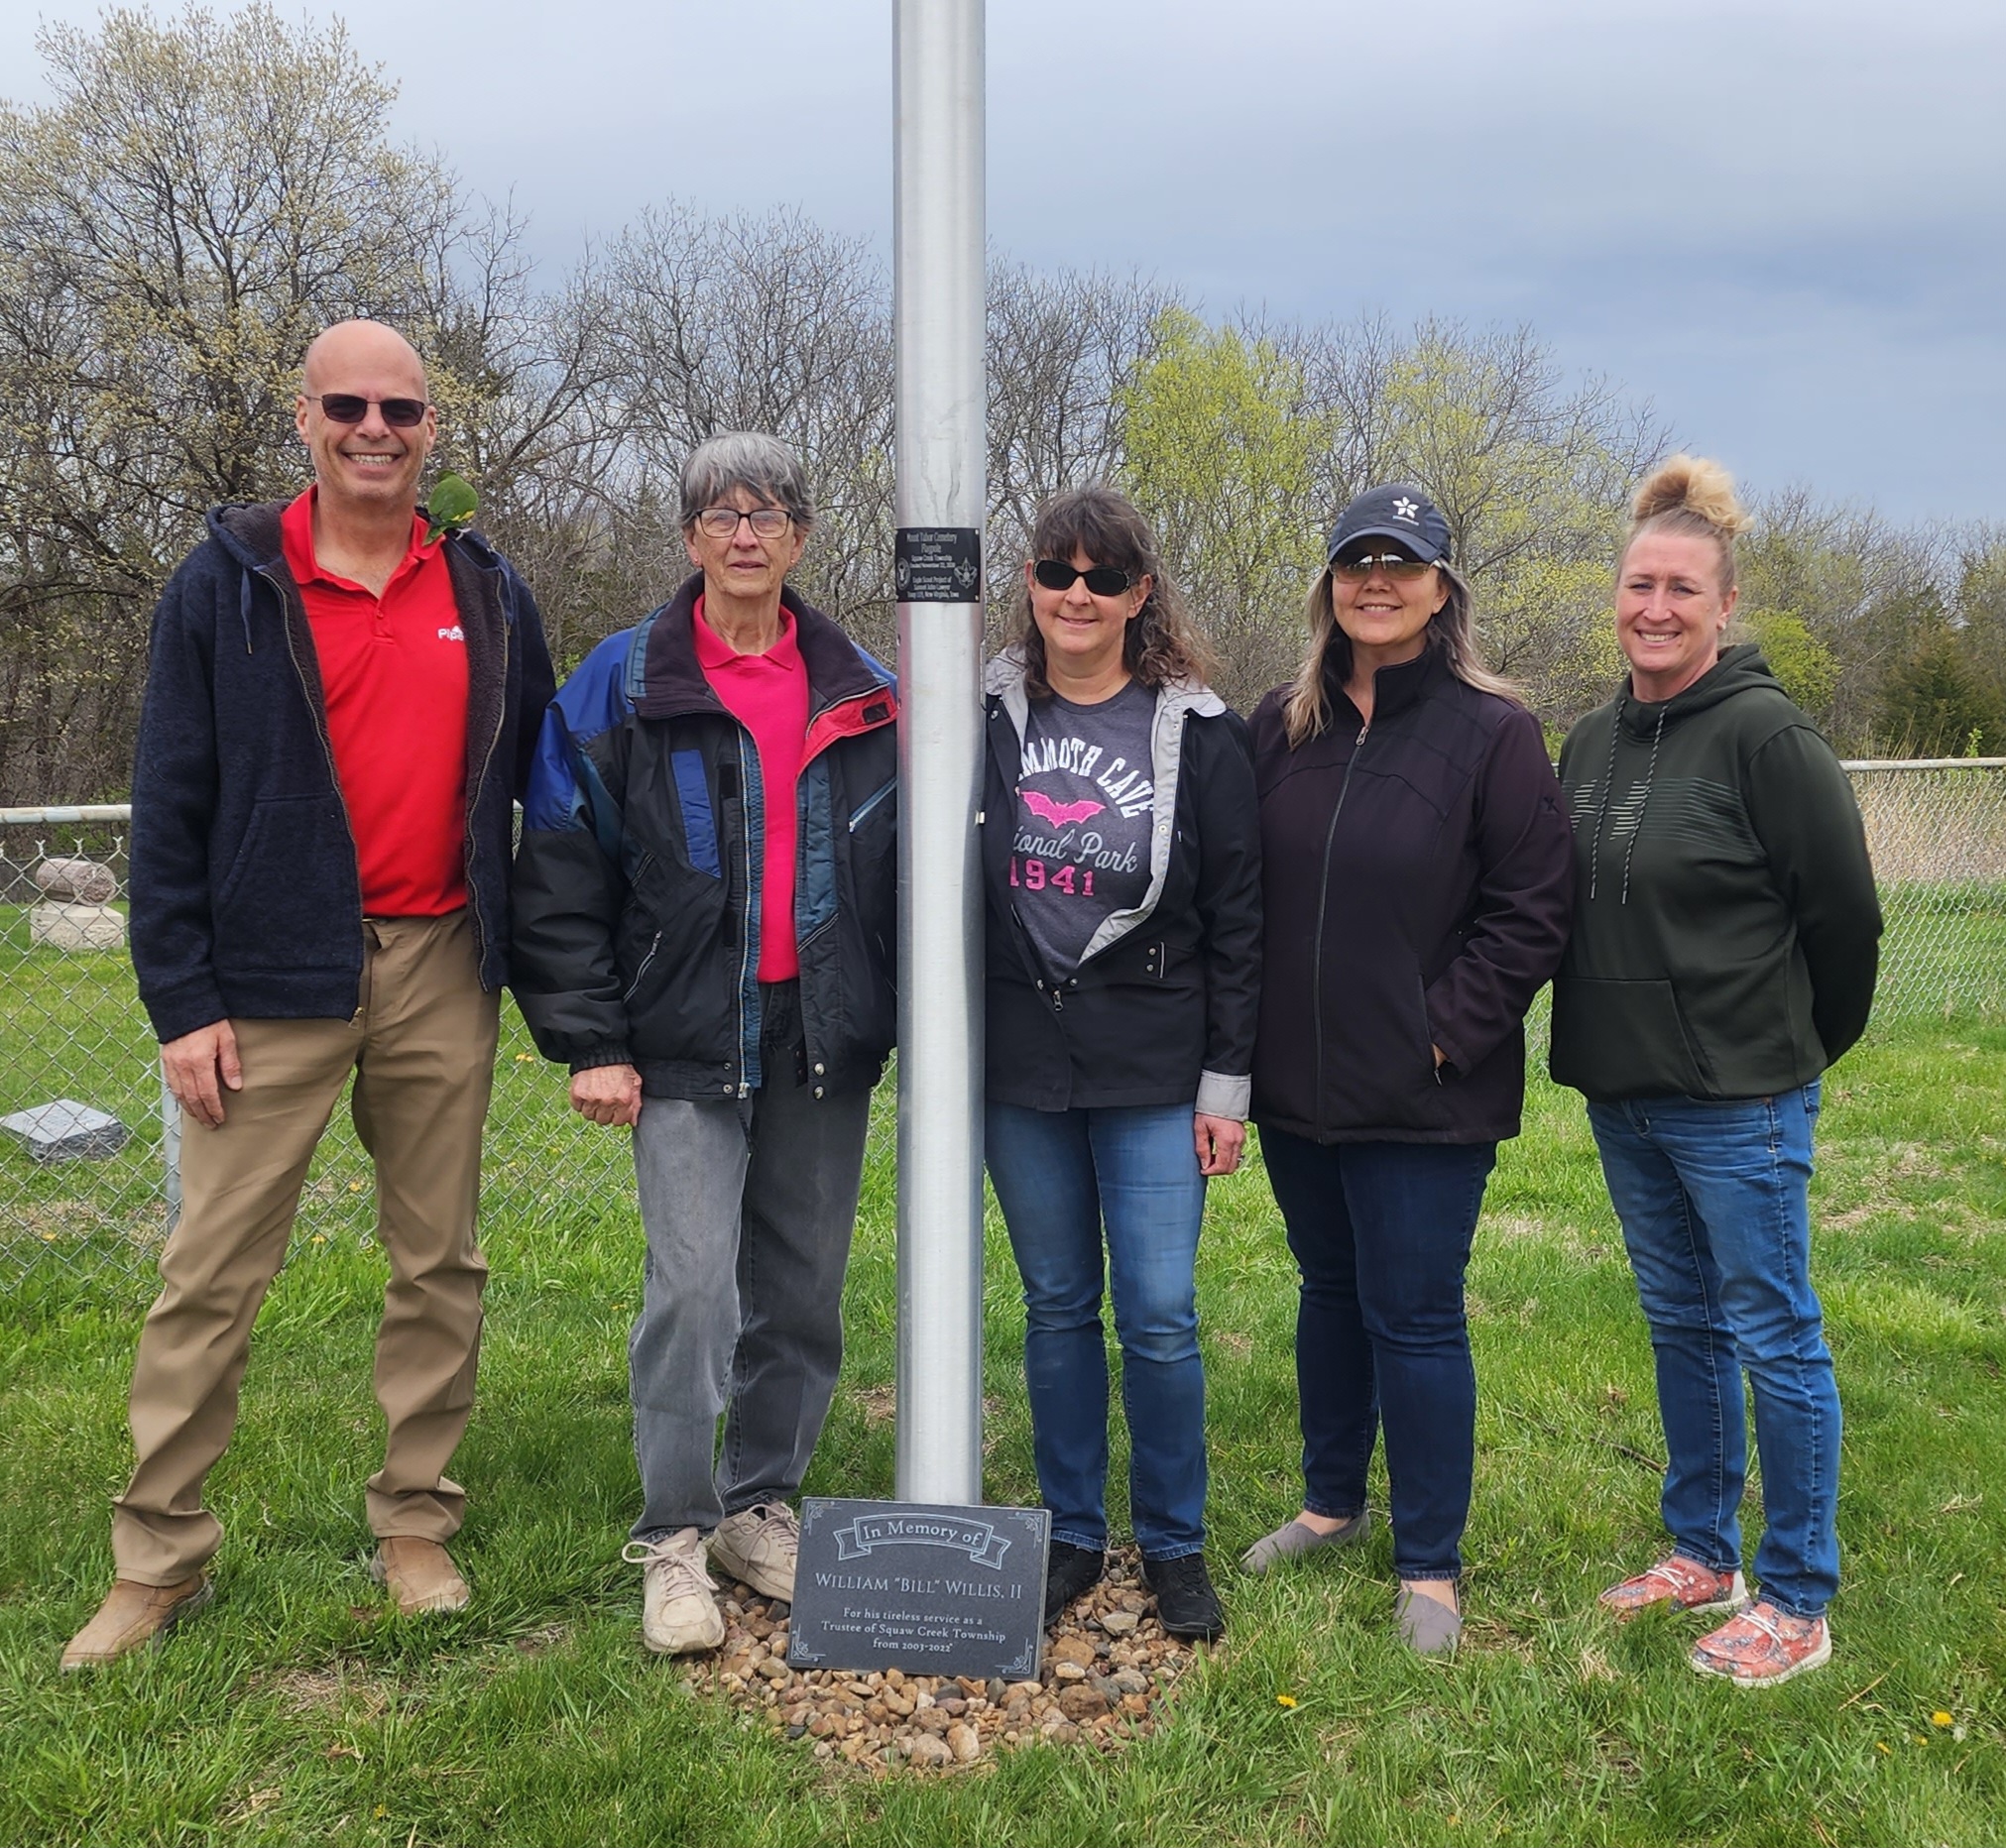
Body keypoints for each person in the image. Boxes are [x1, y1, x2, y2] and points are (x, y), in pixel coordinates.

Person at [61, 320, 555, 1671]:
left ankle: (413, 1522)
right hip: (266, 983)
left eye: (400, 408)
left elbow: (541, 793)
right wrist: (181, 1001)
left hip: (439, 966)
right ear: (304, 418)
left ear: (431, 429)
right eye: (348, 405)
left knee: (437, 1261)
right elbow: (167, 810)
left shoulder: (493, 592)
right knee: (208, 1273)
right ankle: (157, 1556)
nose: (374, 429)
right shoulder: (222, 591)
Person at [510, 432, 897, 1656]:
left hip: (819, 1034)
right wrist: (589, 1041)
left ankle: (758, 1503)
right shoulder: (620, 684)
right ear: (689, 537)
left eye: (770, 511)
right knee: (690, 1286)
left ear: (800, 536)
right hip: (678, 1038)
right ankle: (675, 1530)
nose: (745, 532)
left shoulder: (864, 687)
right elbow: (560, 871)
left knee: (803, 1286)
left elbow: (904, 868)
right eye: (721, 513)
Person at [1551, 456, 1880, 1686]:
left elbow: (1843, 923)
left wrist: (1788, 1051)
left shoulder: (1766, 735)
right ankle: (1701, 1551)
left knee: (1773, 1333)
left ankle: (1796, 1596)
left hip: (1739, 1097)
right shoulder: (1590, 740)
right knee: (1679, 1324)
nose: (1655, 607)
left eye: (1681, 589)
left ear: (1722, 603)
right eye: (1639, 584)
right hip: (1624, 1092)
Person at [1241, 484, 1574, 1656]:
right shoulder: (1281, 722)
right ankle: (1331, 1503)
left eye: (1401, 563)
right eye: (1353, 562)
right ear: (1329, 583)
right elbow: (1236, 889)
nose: (1374, 583)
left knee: (1416, 1315)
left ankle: (1430, 1564)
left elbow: (1533, 910)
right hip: (1298, 1090)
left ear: (1442, 586)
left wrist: (1439, 1031)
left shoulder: (1494, 731)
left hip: (1427, 1094)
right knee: (1329, 1291)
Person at [982, 484, 1260, 1644]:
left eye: (1104, 576)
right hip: (1023, 1069)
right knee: (1057, 1308)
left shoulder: (1201, 732)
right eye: (1058, 572)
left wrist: (1225, 1087)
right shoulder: (981, 711)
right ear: (1032, 585)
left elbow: (1240, 919)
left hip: (1154, 1068)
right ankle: (1073, 1532)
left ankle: (1176, 1544)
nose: (1078, 594)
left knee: (1156, 1314)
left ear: (1142, 593)